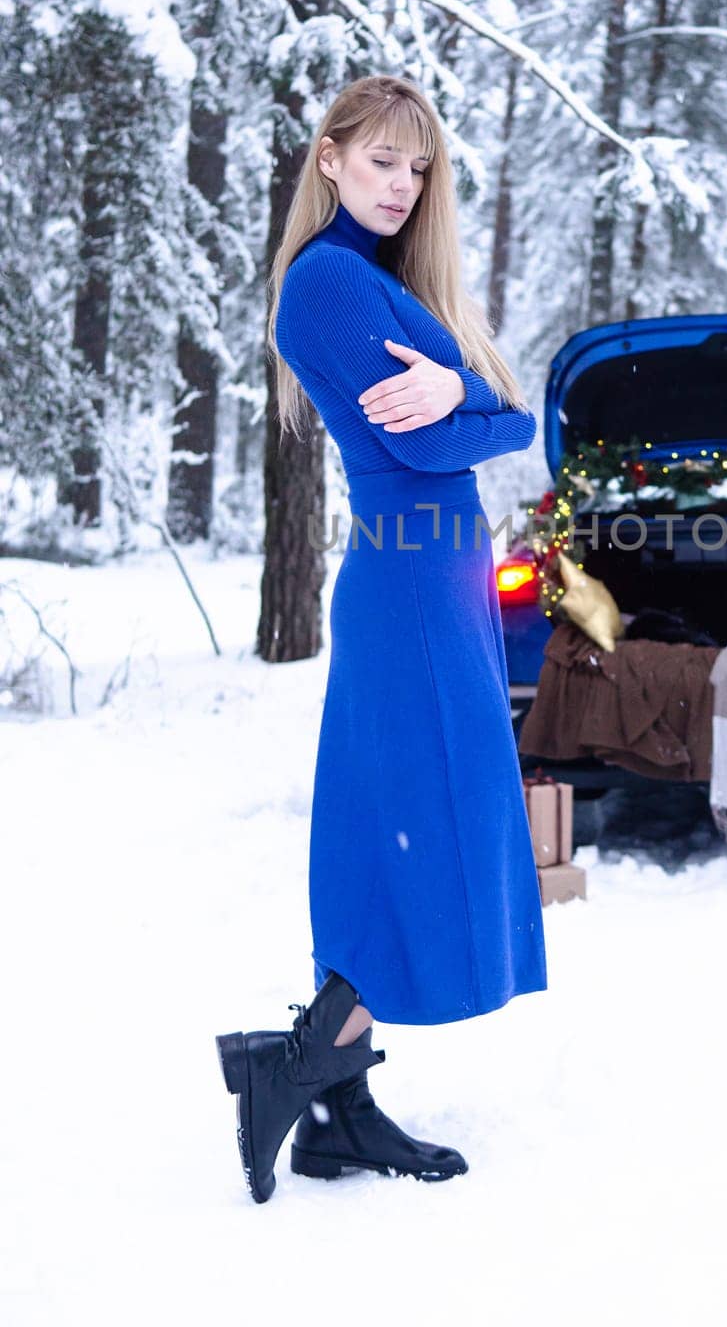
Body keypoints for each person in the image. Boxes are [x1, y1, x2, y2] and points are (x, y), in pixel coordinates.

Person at [215, 75, 548, 1202]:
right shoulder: (326, 284)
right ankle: (300, 1067)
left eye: (419, 168)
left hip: (435, 583)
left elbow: (512, 417)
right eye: (380, 163)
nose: (402, 186)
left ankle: (333, 1109)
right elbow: (427, 451)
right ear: (328, 159)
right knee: (416, 823)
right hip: (408, 583)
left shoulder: (388, 283)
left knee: (388, 824)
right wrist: (467, 403)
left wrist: (459, 390)